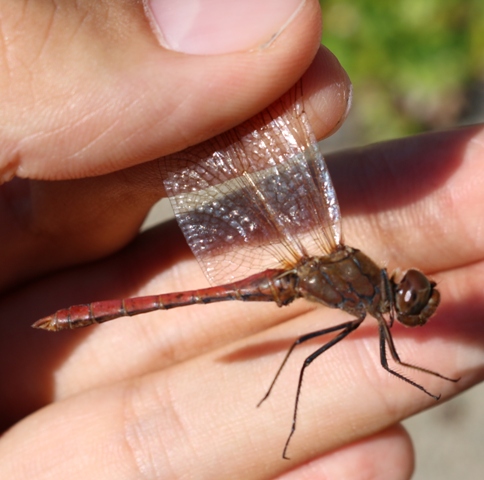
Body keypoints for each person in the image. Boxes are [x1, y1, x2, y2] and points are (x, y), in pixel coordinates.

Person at [0, 1, 482, 478]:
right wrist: (435, 380)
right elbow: (393, 363)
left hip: (296, 271)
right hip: (290, 272)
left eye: (413, 295)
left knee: (300, 351)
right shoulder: (369, 293)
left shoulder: (362, 280)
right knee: (303, 354)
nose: (415, 295)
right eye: (414, 295)